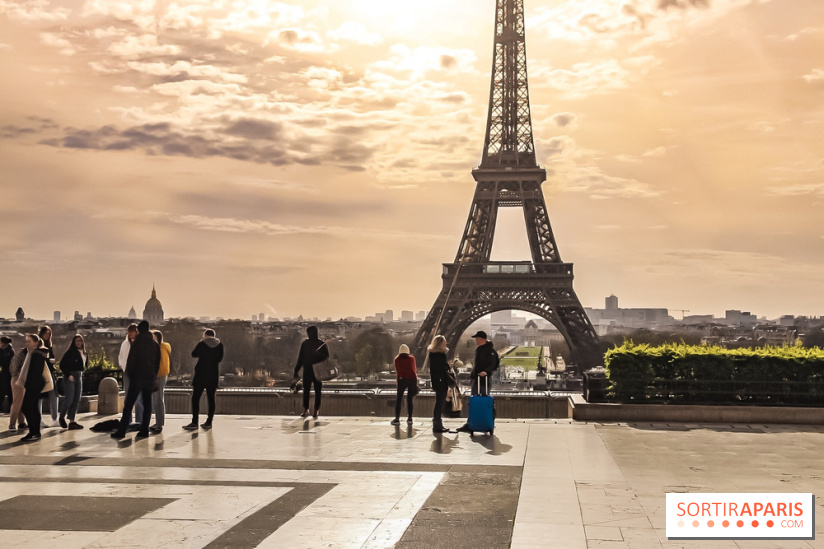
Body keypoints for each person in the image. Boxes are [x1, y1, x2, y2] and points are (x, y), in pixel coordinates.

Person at [111, 320, 159, 439]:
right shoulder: (155, 344)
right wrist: (153, 376)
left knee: (128, 405)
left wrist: (131, 376)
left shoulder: (137, 343)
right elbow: (157, 363)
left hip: (137, 377)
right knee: (147, 404)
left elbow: (131, 361)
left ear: (139, 330)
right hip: (149, 378)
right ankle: (144, 430)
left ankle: (122, 431)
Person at [455, 330, 499, 433]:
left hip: (484, 380)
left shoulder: (489, 350)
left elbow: (493, 364)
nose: (475, 340)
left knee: (481, 402)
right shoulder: (480, 349)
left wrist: (486, 372)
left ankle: (484, 422)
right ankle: (474, 423)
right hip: (478, 379)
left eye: (477, 338)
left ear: (481, 339)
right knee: (476, 402)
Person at [183, 329, 224, 430]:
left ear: (205, 335)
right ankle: (209, 422)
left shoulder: (202, 344)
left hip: (201, 373)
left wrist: (201, 344)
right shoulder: (220, 345)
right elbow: (219, 359)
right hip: (213, 374)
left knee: (196, 398)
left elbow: (194, 354)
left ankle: (194, 422)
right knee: (211, 399)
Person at [293, 326, 328, 419]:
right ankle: (315, 410)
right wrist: (318, 355)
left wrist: (296, 370)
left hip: (308, 370)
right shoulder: (321, 344)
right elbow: (326, 357)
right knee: (316, 391)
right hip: (317, 370)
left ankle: (307, 409)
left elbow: (300, 359)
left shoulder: (305, 344)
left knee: (307, 391)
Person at [19, 334, 50, 442]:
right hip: (34, 383)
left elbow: (35, 372)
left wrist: (28, 382)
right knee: (32, 407)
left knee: (26, 407)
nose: (27, 344)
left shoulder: (36, 355)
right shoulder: (33, 353)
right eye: (26, 341)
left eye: (29, 342)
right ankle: (35, 432)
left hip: (34, 383)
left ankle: (34, 432)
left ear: (36, 343)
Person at [58, 334, 87, 430]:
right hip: (70, 376)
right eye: (76, 341)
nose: (78, 342)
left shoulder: (84, 352)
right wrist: (68, 374)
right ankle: (61, 417)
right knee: (69, 398)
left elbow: (83, 365)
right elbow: (62, 364)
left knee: (76, 399)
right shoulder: (71, 352)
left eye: (80, 340)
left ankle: (72, 421)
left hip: (79, 376)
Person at [428, 335, 455, 434]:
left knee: (439, 403)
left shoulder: (433, 354)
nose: (446, 343)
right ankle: (437, 425)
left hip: (437, 380)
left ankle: (437, 424)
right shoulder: (440, 354)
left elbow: (435, 368)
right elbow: (441, 368)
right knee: (440, 403)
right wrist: (448, 366)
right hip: (441, 381)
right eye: (444, 342)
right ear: (440, 343)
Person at [118, 324, 142, 425]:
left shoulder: (141, 343)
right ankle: (128, 420)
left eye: (132, 331)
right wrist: (123, 367)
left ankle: (139, 421)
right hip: (128, 372)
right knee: (127, 397)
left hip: (138, 373)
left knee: (139, 398)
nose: (130, 333)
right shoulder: (125, 343)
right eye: (129, 331)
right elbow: (121, 356)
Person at [38, 326, 59, 427]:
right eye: (46, 333)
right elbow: (38, 359)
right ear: (41, 333)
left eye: (49, 334)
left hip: (49, 372)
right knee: (39, 397)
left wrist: (52, 360)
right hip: (40, 374)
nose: (47, 335)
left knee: (54, 395)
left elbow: (52, 356)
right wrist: (48, 360)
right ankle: (39, 420)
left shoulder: (49, 346)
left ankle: (55, 419)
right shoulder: (38, 344)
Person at [391, 344, 417, 426]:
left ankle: (397, 418)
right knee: (409, 399)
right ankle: (410, 418)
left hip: (402, 379)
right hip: (412, 379)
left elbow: (398, 371)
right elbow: (414, 369)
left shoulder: (397, 359)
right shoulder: (412, 359)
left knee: (399, 399)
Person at [150, 330, 170, 433]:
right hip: (162, 375)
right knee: (157, 400)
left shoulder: (159, 348)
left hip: (159, 376)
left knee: (158, 401)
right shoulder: (165, 347)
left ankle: (159, 424)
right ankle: (158, 422)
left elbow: (159, 364)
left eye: (153, 337)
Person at [8, 346, 27, 431]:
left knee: (20, 401)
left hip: (18, 379)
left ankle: (21, 423)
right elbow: (14, 370)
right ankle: (12, 424)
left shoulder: (20, 354)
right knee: (17, 402)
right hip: (18, 379)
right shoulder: (23, 355)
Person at [0, 336, 14, 413]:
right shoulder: (11, 350)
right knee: (10, 391)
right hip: (10, 373)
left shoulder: (1, 351)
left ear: (2, 343)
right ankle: (10, 408)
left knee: (2, 391)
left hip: (4, 373)